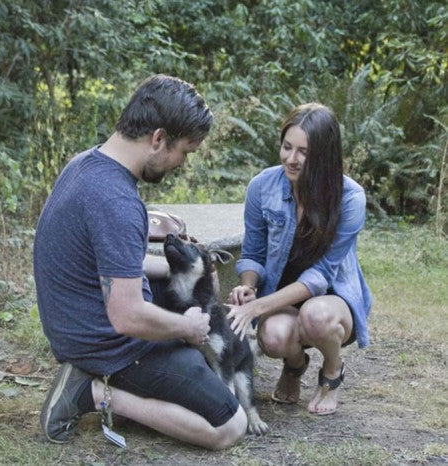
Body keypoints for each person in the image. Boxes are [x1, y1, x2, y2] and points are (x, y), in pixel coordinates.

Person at [33, 74, 247, 449]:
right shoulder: (117, 202)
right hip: (108, 346)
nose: (182, 162)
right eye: (185, 151)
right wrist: (186, 328)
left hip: (77, 324)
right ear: (159, 138)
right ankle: (93, 392)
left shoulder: (86, 163)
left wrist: (172, 266)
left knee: (196, 281)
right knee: (230, 426)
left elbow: (98, 258)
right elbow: (127, 316)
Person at [227, 103, 372, 415]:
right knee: (273, 337)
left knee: (315, 315)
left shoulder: (350, 199)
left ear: (324, 155)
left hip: (331, 303)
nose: (290, 159)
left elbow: (321, 276)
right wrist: (249, 288)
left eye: (303, 152)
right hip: (282, 299)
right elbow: (252, 253)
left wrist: (258, 307)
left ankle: (332, 371)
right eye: (286, 147)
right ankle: (294, 367)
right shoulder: (262, 186)